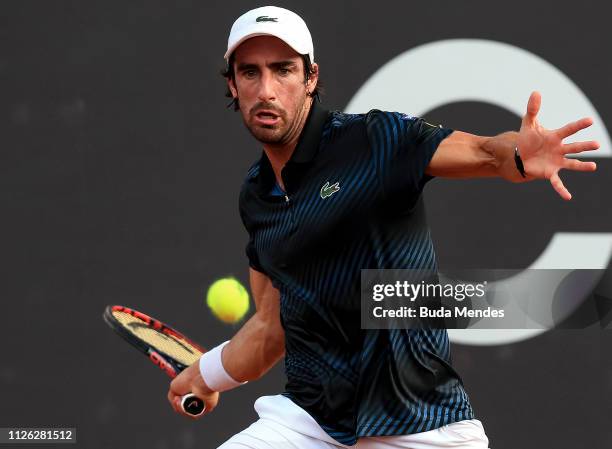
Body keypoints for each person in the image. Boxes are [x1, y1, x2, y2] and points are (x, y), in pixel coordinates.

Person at [168, 6, 599, 448]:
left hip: (423, 423)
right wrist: (204, 376)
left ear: (310, 78)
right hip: (309, 423)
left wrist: (520, 156)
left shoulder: (375, 140)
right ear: (232, 85)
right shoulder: (257, 197)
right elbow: (270, 327)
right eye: (250, 73)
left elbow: (489, 152)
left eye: (283, 71)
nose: (267, 90)